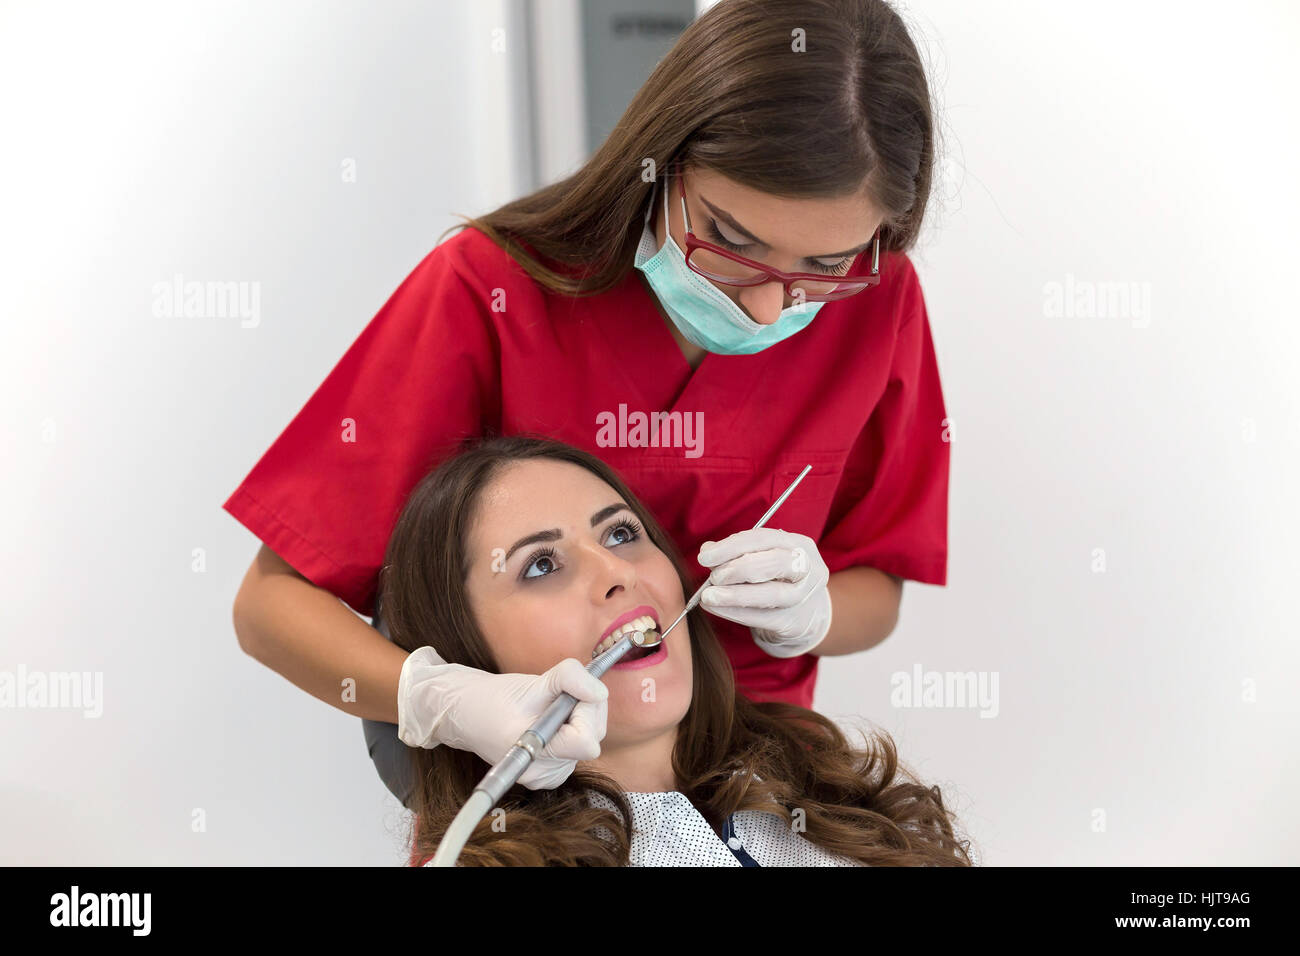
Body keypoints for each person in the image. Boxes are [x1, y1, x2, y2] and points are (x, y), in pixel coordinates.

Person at [226, 0, 950, 810]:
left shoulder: (879, 303)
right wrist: (436, 700)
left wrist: (810, 614)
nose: (770, 308)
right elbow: (268, 609)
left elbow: (875, 588)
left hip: (766, 787)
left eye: (824, 263)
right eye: (733, 241)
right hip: (542, 803)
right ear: (664, 156)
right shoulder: (488, 294)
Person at [380, 434, 970, 866]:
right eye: (541, 565)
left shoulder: (839, 801)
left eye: (621, 533)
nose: (617, 571)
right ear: (468, 657)